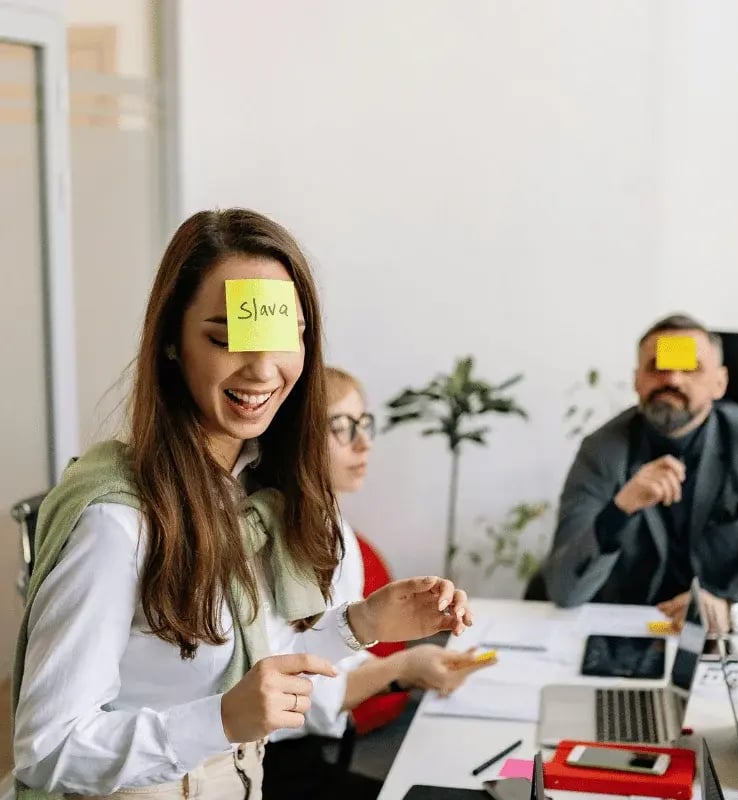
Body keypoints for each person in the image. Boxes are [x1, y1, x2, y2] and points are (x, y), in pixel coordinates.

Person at [12, 209, 472, 800]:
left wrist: (362, 625)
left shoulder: (258, 492)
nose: (260, 368)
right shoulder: (118, 519)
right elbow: (46, 749)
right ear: (172, 342)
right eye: (226, 338)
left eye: (283, 337)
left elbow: (249, 676)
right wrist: (221, 721)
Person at [263, 367, 495, 798]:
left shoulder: (334, 527)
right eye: (341, 427)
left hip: (317, 754)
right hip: (276, 772)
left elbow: (337, 662)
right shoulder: (277, 537)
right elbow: (309, 696)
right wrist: (401, 669)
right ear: (295, 436)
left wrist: (411, 669)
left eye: (364, 423)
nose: (363, 442)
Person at [541, 313, 738, 633]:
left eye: (691, 368)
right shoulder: (601, 450)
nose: (672, 380)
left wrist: (734, 612)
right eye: (657, 367)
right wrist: (619, 509)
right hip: (634, 632)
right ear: (637, 380)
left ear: (720, 383)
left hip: (728, 637)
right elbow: (563, 590)